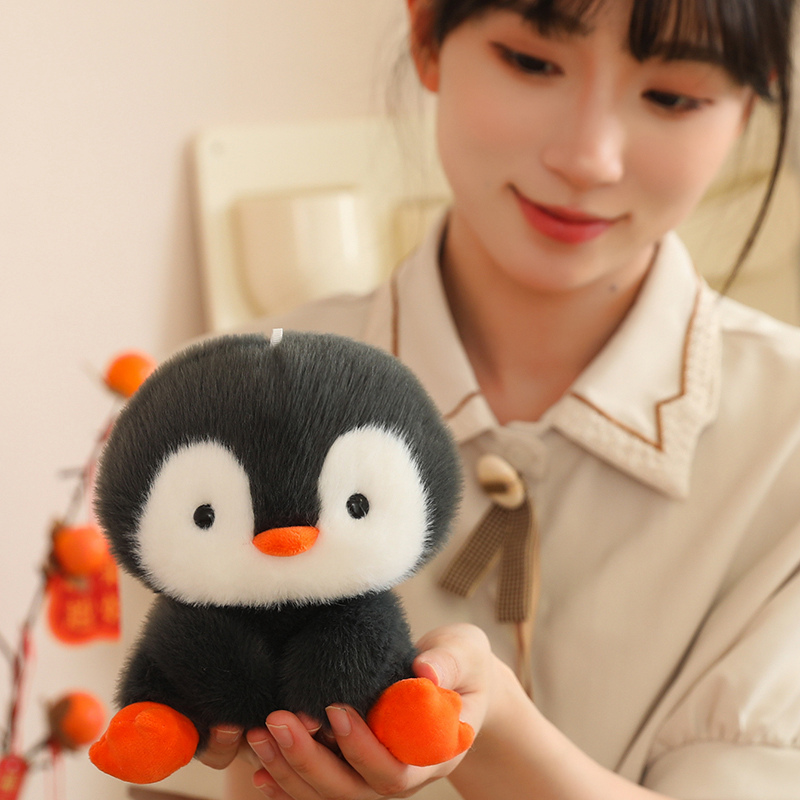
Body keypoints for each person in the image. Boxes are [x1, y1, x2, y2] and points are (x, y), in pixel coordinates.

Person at [197, 0, 800, 797]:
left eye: (672, 96)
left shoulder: (787, 437)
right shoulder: (227, 405)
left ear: (751, 102)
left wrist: (500, 741)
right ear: (427, 34)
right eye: (531, 62)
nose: (588, 158)